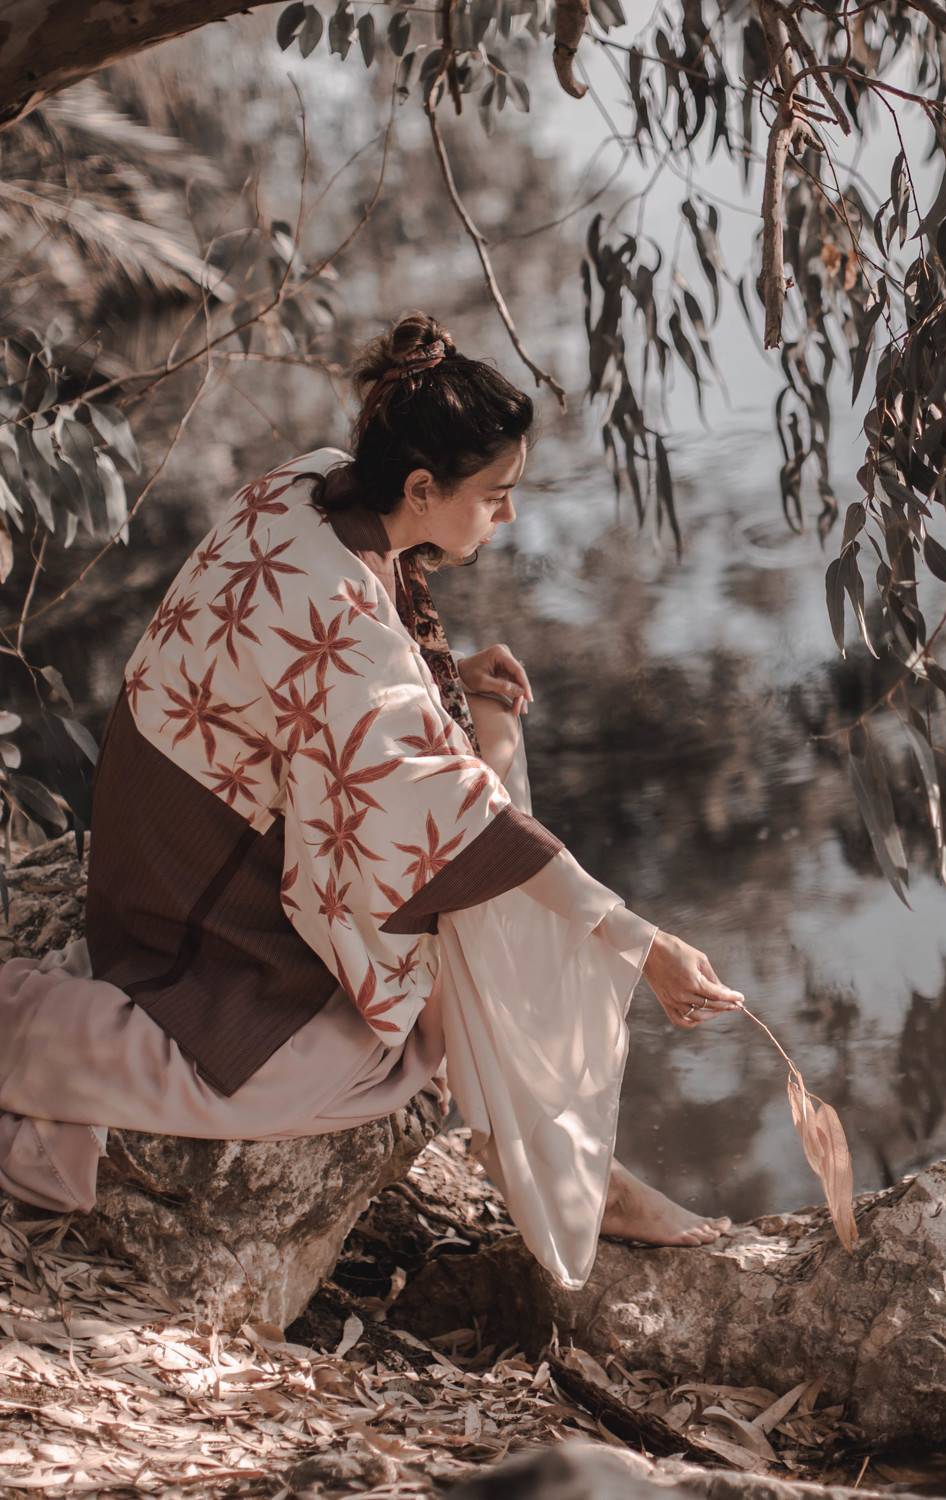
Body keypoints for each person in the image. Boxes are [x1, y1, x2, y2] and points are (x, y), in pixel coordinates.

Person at [0, 312, 746, 1290]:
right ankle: (560, 1161)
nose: (508, 518)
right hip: (192, 895)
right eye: (496, 496)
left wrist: (448, 675)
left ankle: (564, 1154)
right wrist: (643, 944)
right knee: (350, 1046)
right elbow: (419, 763)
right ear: (423, 488)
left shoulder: (309, 482)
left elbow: (335, 685)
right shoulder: (346, 620)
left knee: (475, 783)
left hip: (176, 824)